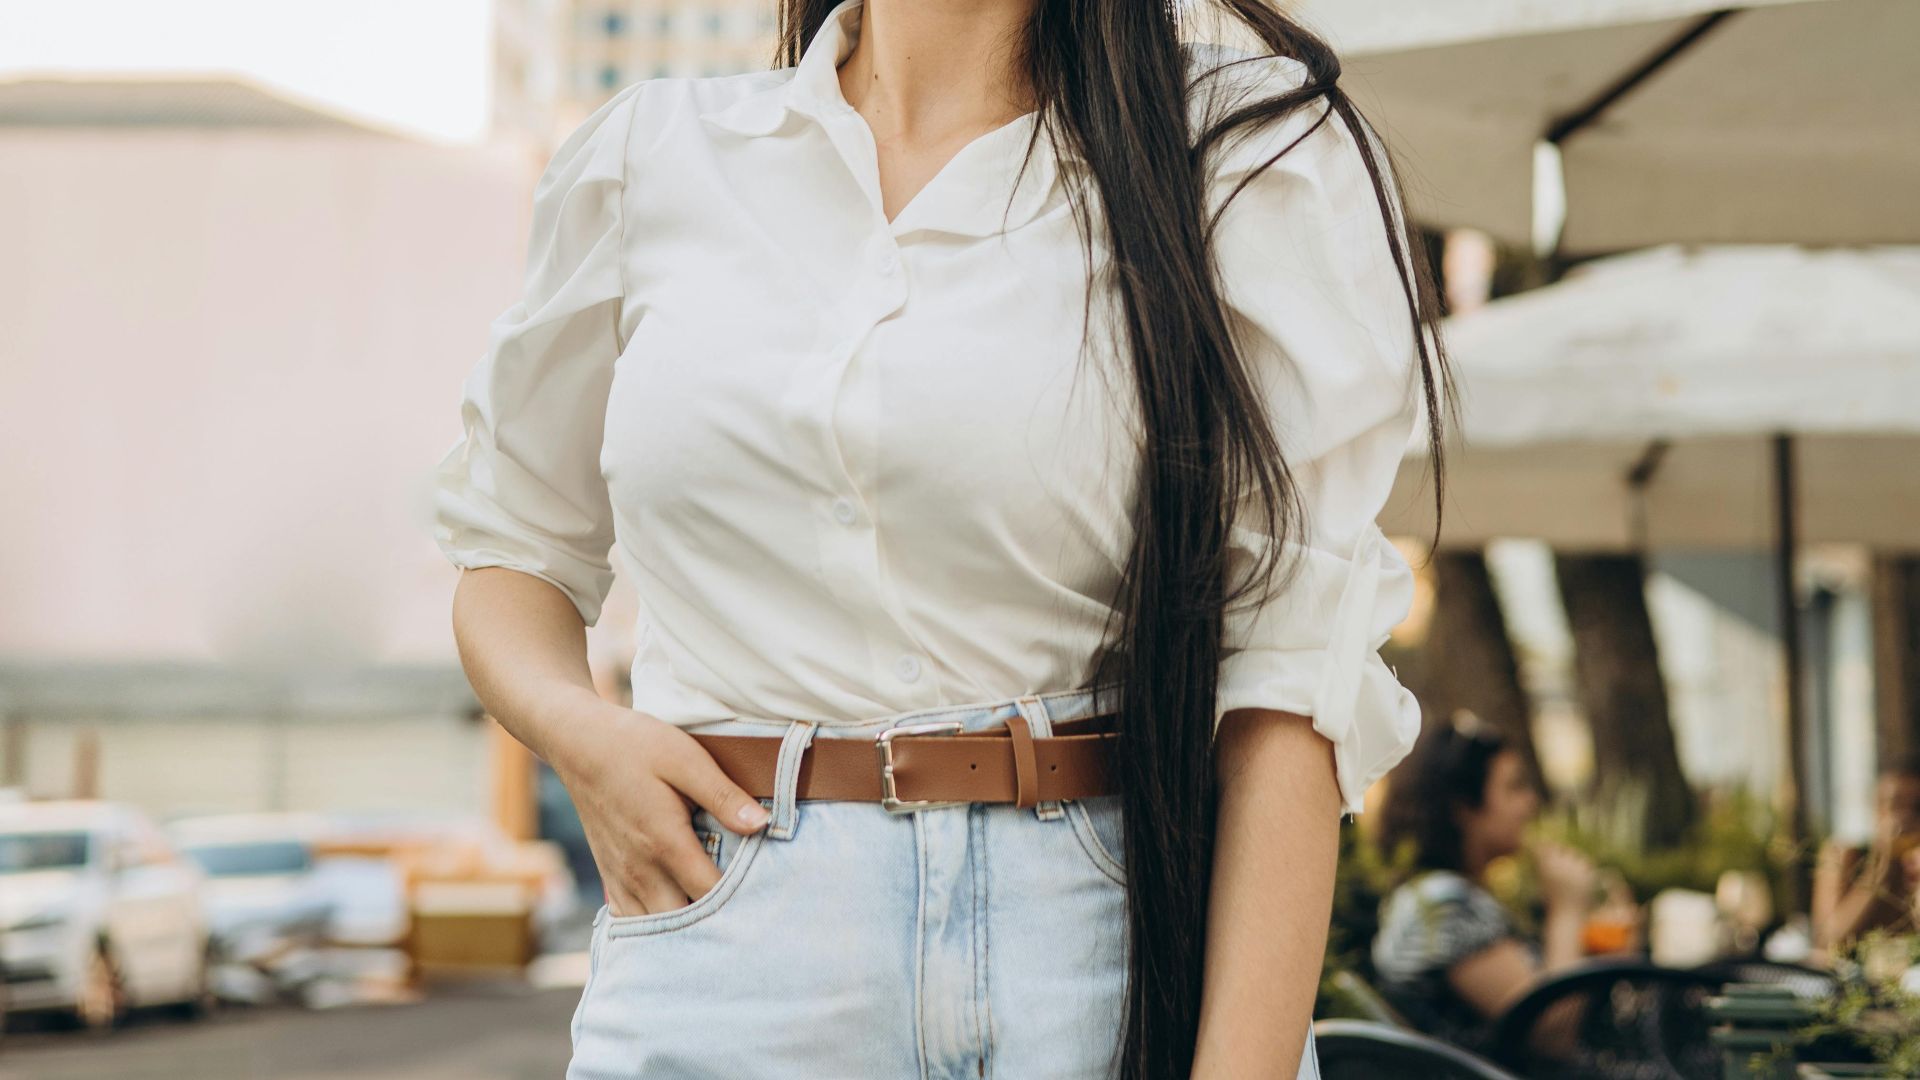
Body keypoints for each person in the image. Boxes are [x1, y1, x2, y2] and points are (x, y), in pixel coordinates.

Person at [429, 0, 1453, 1076]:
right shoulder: (651, 158)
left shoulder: (1241, 150)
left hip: (1100, 950)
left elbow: (1290, 686)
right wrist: (576, 732)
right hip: (725, 935)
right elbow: (512, 547)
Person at [1369, 713, 1614, 1057]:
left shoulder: (1444, 896)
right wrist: (1567, 909)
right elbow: (1552, 1029)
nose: (1530, 803)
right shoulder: (1443, 907)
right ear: (1462, 807)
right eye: (1514, 787)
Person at [1813, 751, 1920, 963]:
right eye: (1895, 805)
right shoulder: (1845, 856)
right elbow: (1828, 941)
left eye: (1916, 808)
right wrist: (1879, 871)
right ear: (1876, 809)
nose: (1904, 817)